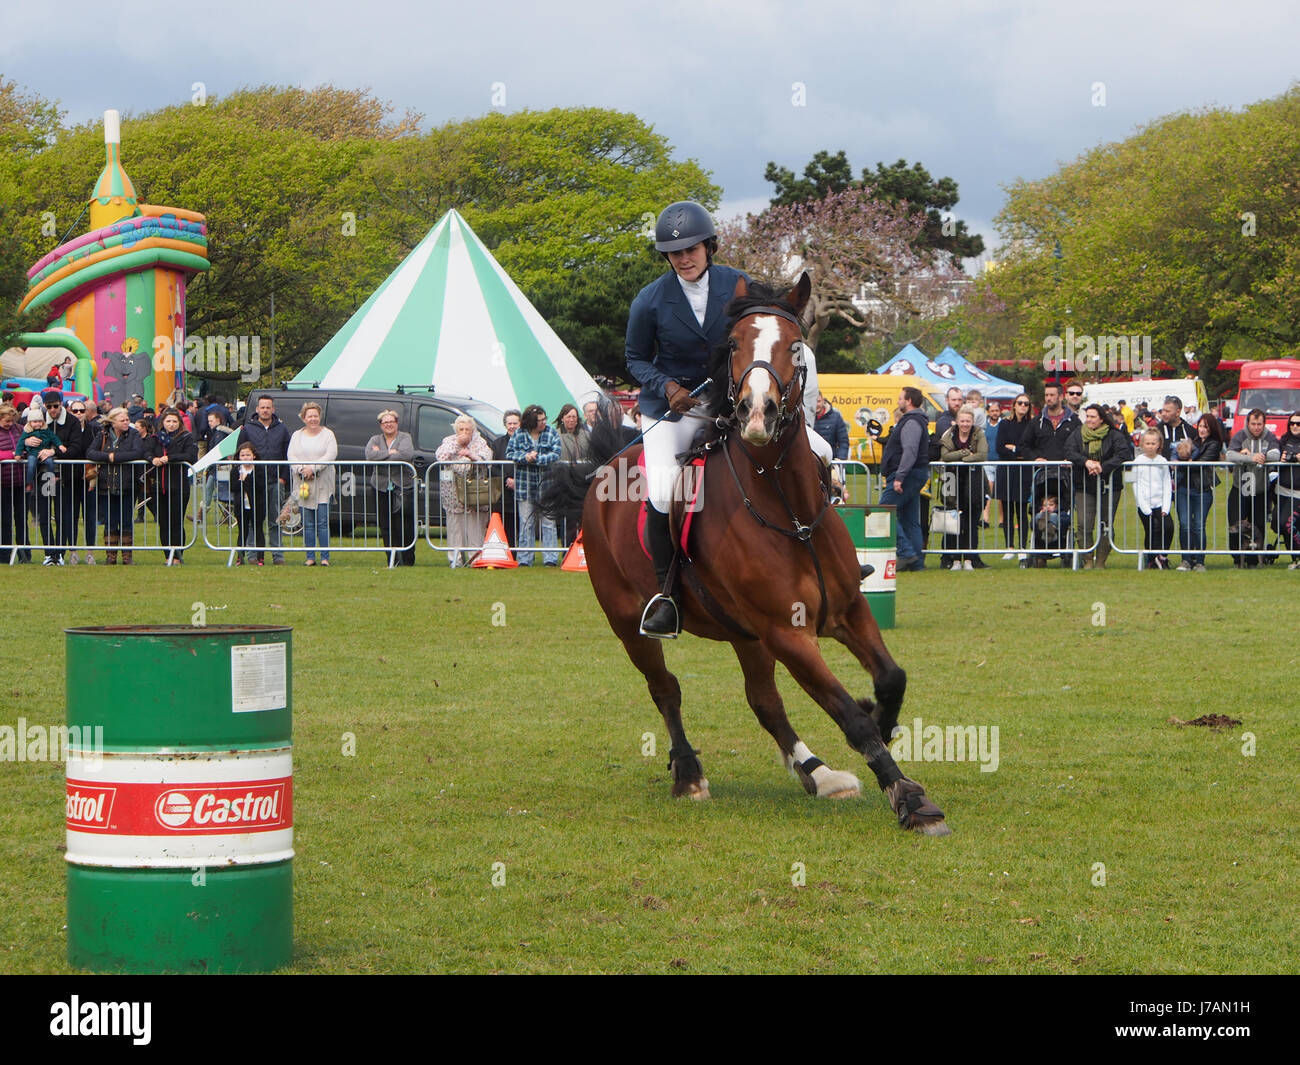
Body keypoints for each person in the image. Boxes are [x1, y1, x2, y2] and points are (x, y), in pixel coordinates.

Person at [625, 200, 748, 636]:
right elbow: (635, 358)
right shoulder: (650, 300)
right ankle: (667, 596)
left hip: (725, 408)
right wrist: (667, 387)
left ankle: (824, 555)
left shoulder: (738, 286)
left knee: (805, 448)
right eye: (675, 252)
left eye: (692, 248)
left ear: (709, 246)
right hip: (671, 413)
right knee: (660, 491)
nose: (684, 258)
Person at [1065, 404, 1130, 569]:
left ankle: (1101, 560)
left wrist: (1102, 466)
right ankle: (1088, 559)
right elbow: (1069, 451)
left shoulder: (1114, 434)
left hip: (1109, 485)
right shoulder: (1077, 434)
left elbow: (1123, 453)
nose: (1089, 420)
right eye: (1087, 416)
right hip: (1084, 485)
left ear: (1101, 418)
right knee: (1083, 523)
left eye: (1093, 417)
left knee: (1105, 523)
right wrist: (1086, 462)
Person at [879, 386, 931, 571]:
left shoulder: (911, 422)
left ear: (909, 401)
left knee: (884, 511)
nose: (898, 401)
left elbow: (909, 451)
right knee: (910, 519)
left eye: (901, 398)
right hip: (914, 473)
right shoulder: (916, 421)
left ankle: (906, 552)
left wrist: (899, 477)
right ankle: (916, 563)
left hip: (906, 474)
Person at [85, 407, 146, 564]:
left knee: (126, 520)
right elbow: (90, 452)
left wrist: (115, 457)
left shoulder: (133, 434)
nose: (126, 423)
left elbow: (137, 452)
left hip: (127, 484)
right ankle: (110, 557)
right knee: (110, 521)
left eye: (127, 420)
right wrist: (108, 456)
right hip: (106, 484)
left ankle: (127, 557)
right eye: (122, 420)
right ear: (113, 422)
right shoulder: (103, 434)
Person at [236, 395, 290, 564]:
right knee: (254, 520)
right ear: (257, 409)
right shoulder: (247, 429)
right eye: (262, 407)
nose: (265, 410)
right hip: (253, 483)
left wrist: (283, 478)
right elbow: (240, 454)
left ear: (273, 409)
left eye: (268, 407)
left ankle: (278, 556)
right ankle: (253, 555)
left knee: (275, 520)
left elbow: (287, 454)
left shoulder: (282, 429)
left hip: (275, 481)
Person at [507, 403, 561, 567]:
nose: (544, 422)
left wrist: (537, 459)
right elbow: (510, 453)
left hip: (546, 485)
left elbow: (556, 453)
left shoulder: (551, 432)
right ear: (531, 422)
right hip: (524, 486)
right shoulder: (519, 434)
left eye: (545, 419)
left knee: (548, 523)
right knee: (526, 523)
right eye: (540, 420)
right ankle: (525, 559)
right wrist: (525, 457)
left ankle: (550, 558)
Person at [435, 413, 493, 567]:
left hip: (474, 493)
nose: (465, 432)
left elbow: (488, 458)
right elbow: (440, 456)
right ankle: (455, 559)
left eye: (468, 429)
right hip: (453, 493)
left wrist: (471, 455)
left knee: (475, 527)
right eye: (461, 429)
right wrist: (456, 445)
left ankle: (475, 559)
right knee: (455, 527)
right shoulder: (449, 441)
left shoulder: (480, 442)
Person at [1225, 408, 1280, 567]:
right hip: (1239, 489)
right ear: (1247, 423)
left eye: (1259, 424)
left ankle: (1255, 560)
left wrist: (1259, 456)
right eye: (1253, 424)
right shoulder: (1239, 436)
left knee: (1259, 526)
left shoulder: (1269, 437)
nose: (1256, 427)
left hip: (1261, 491)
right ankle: (1237, 559)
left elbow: (1276, 454)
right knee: (1236, 524)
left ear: (1264, 424)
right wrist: (1249, 458)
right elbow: (1229, 455)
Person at [287, 400, 338, 567]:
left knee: (322, 522)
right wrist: (302, 469)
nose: (313, 419)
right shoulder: (296, 435)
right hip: (303, 485)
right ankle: (310, 556)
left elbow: (331, 454)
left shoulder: (328, 434)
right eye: (310, 416)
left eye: (316, 416)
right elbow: (291, 456)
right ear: (304, 418)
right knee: (307, 523)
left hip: (323, 484)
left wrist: (313, 468)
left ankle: (325, 557)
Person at [145, 408, 198, 565]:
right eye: (168, 421)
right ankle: (168, 554)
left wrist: (169, 458)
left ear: (179, 423)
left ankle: (178, 554)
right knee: (163, 521)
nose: (171, 424)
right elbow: (145, 451)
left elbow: (190, 456)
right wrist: (152, 458)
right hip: (159, 487)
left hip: (178, 485)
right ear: (163, 422)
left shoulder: (187, 438)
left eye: (174, 421)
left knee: (176, 521)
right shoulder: (155, 438)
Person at [938, 405, 989, 569]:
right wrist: (965, 454)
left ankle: (970, 558)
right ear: (957, 421)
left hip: (974, 481)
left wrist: (962, 460)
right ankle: (953, 559)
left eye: (968, 421)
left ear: (973, 421)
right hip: (952, 481)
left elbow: (983, 454)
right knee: (953, 521)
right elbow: (945, 456)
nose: (965, 424)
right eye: (962, 421)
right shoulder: (949, 434)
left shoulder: (978, 433)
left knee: (971, 521)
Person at [1176, 413, 1226, 571]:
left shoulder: (1214, 443)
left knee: (1198, 525)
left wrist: (1188, 461)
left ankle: (1200, 561)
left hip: (1202, 489)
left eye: (1206, 426)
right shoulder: (1193, 441)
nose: (1202, 429)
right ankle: (1185, 559)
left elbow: (1201, 463)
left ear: (1211, 428)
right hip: (1184, 488)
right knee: (1184, 524)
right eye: (1200, 426)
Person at [367, 409, 417, 566]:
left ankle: (407, 559)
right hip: (380, 486)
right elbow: (369, 456)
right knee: (385, 524)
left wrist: (381, 454)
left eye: (391, 421)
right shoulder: (375, 439)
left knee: (404, 524)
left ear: (397, 423)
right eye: (385, 422)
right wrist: (390, 452)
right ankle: (392, 559)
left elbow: (406, 454)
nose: (388, 424)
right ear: (381, 425)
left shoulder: (405, 437)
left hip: (403, 486)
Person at [995, 394, 1033, 561]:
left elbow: (1029, 448)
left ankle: (1023, 547)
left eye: (1026, 404)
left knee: (1022, 511)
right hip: (1007, 471)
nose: (1023, 406)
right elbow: (999, 447)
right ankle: (1009, 546)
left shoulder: (1031, 424)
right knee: (1008, 510)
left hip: (1024, 472)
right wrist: (1016, 452)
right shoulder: (1005, 423)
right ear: (1014, 405)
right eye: (1020, 403)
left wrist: (1015, 449)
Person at [1132, 428, 1173, 569]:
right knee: (1151, 530)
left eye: (1153, 443)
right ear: (1142, 444)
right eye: (1147, 443)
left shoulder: (1162, 461)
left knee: (1168, 527)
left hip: (1160, 503)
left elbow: (1167, 484)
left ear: (1158, 444)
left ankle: (1162, 556)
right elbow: (1135, 484)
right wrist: (1144, 507)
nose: (1150, 446)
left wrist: (1166, 507)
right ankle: (1151, 559)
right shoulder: (1137, 461)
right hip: (1144, 504)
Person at [554, 402, 591, 545]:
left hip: (581, 481)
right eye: (568, 416)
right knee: (567, 518)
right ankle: (567, 547)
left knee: (582, 515)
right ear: (562, 418)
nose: (571, 420)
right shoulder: (555, 435)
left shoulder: (586, 436)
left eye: (574, 417)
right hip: (563, 481)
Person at [0, 404, 31, 563]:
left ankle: (25, 554)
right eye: (6, 421)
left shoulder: (19, 430)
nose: (9, 424)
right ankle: (4, 555)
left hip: (20, 482)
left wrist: (24, 451)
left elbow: (27, 446)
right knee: (5, 520)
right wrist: (11, 454)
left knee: (21, 519)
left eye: (11, 421)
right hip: (3, 483)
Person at [490, 409, 521, 546]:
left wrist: (517, 481)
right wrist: (506, 479)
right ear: (505, 424)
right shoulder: (498, 443)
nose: (512, 426)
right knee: (504, 525)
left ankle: (519, 554)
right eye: (510, 423)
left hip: (521, 491)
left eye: (515, 423)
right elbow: (494, 466)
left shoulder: (526, 443)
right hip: (502, 494)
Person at [234, 441, 266, 565]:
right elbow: (234, 486)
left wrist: (245, 480)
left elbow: (259, 485)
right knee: (243, 531)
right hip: (241, 506)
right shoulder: (235, 470)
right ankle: (240, 557)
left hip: (257, 505)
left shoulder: (259, 469)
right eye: (242, 455)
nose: (245, 458)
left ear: (254, 456)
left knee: (258, 530)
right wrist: (245, 482)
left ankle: (260, 557)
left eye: (248, 455)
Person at [1276, 412, 1300, 568]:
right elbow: (1274, 456)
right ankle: (1294, 559)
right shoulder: (1283, 440)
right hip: (1281, 490)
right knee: (1278, 524)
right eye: (1292, 423)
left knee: (1288, 523)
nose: (1295, 426)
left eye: (1298, 424)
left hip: (1298, 493)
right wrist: (1281, 458)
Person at [813, 393, 850, 462]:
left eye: (818, 401)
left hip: (830, 462)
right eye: (813, 401)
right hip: (810, 462)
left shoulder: (836, 417)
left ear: (823, 401)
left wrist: (840, 459)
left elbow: (843, 441)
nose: (816, 404)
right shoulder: (805, 418)